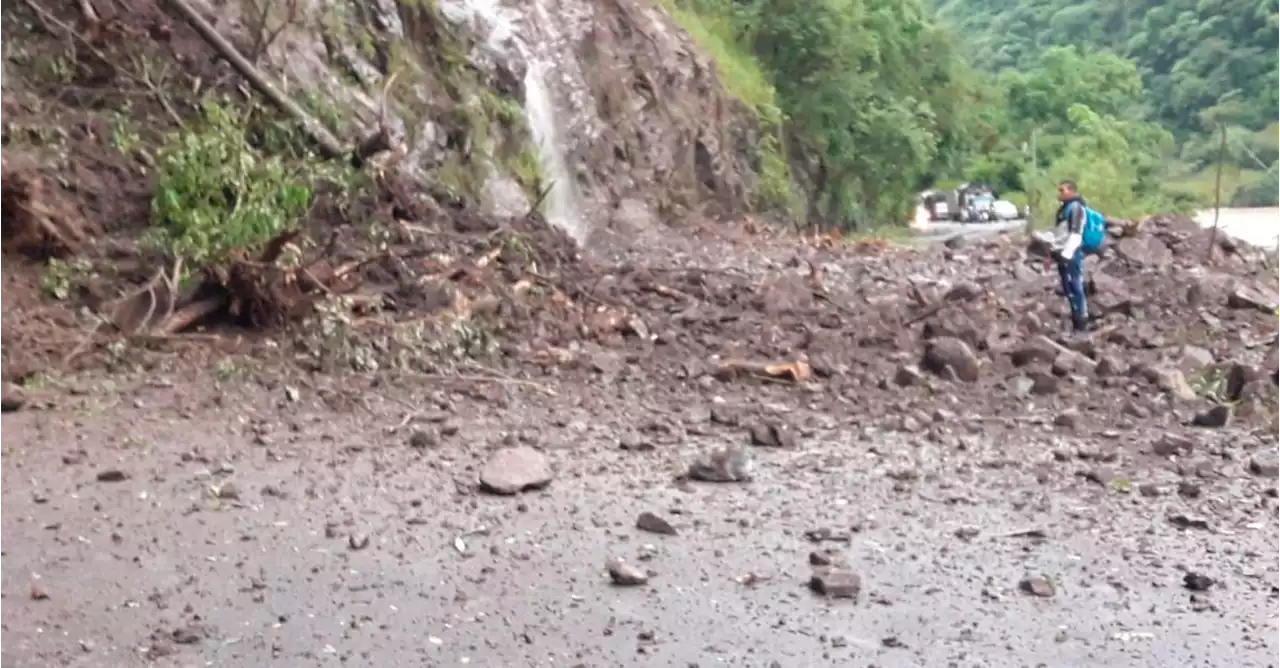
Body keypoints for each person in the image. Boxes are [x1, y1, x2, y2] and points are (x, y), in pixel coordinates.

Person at [1052, 179, 1089, 334]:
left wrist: (1067, 253)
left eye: (1062, 190)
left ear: (1072, 191)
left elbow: (1076, 233)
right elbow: (1061, 233)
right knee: (1068, 288)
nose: (1059, 193)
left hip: (1071, 254)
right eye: (1059, 190)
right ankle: (1076, 320)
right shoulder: (1064, 209)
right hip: (1062, 253)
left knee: (1075, 286)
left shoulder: (1076, 208)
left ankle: (1081, 320)